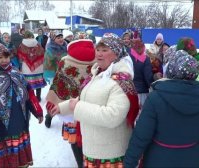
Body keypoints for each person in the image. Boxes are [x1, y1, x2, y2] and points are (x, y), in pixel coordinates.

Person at [50, 33, 139, 167]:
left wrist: (78, 107)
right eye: (98, 49)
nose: (99, 54)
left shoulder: (121, 81)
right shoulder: (97, 74)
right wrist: (64, 107)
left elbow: (112, 116)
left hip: (110, 154)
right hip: (93, 148)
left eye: (105, 50)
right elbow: (85, 98)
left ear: (116, 54)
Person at [124, 50, 199, 167]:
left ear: (170, 71)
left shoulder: (156, 98)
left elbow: (142, 134)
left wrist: (130, 162)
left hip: (158, 159)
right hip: (190, 159)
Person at [0, 42, 43, 167]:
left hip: (19, 128)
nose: (4, 60)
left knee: (20, 163)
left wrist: (37, 110)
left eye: (6, 57)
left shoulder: (15, 72)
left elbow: (28, 92)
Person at [45, 38, 96, 167]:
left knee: (74, 136)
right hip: (90, 106)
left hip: (68, 107)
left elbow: (58, 82)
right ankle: (90, 161)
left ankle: (80, 163)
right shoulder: (98, 61)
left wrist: (53, 102)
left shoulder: (65, 61)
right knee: (89, 135)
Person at [43, 30, 67, 128]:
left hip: (67, 75)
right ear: (53, 39)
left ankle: (66, 118)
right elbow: (48, 65)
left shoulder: (66, 47)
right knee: (55, 97)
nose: (61, 39)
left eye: (61, 37)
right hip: (56, 76)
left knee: (66, 97)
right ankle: (50, 115)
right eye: (58, 37)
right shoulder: (50, 50)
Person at [17, 30, 46, 101]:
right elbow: (42, 54)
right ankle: (38, 97)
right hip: (38, 67)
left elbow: (20, 57)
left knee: (28, 83)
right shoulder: (38, 44)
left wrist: (20, 66)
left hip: (26, 67)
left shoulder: (21, 45)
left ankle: (29, 97)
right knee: (38, 82)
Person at [129, 38, 153, 119]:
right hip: (142, 91)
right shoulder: (145, 59)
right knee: (142, 114)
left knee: (131, 113)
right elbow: (148, 76)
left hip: (130, 89)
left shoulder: (128, 57)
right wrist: (151, 85)